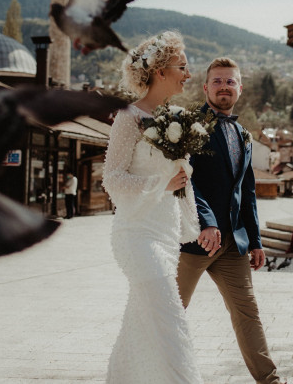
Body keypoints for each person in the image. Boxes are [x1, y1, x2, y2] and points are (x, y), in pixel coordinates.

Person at [102, 31, 203, 383]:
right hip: (136, 235)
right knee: (171, 320)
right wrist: (161, 183)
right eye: (182, 67)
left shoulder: (178, 117)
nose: (188, 74)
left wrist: (195, 219)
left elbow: (180, 179)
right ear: (160, 72)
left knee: (141, 326)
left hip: (167, 234)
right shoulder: (128, 117)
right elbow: (112, 179)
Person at [177, 57, 285, 384]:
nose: (224, 86)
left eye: (230, 81)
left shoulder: (243, 134)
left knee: (247, 313)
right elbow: (185, 178)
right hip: (193, 240)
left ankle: (270, 381)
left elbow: (247, 191)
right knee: (169, 312)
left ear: (240, 88)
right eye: (218, 81)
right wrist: (207, 222)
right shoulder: (189, 125)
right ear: (205, 87)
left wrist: (255, 241)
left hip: (232, 245)